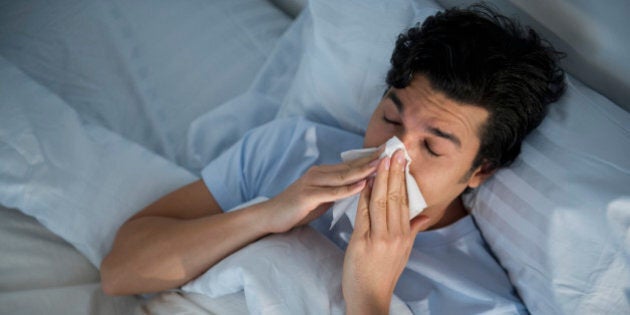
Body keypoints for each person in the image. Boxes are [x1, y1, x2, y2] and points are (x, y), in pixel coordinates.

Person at [100, 4, 565, 314]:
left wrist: (368, 294)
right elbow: (121, 272)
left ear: (480, 170)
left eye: (432, 146)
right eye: (390, 118)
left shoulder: (480, 298)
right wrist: (267, 214)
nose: (393, 152)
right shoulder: (292, 149)